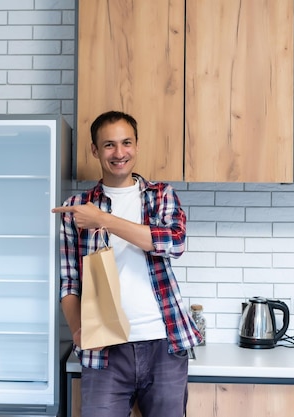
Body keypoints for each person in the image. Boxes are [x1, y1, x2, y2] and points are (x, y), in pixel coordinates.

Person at [52, 111, 202, 417]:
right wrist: (78, 328)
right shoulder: (75, 210)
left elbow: (174, 243)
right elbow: (69, 283)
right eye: (109, 145)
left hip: (164, 343)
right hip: (104, 350)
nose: (119, 153)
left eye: (126, 143)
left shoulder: (160, 196)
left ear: (136, 145)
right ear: (94, 150)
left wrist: (103, 220)